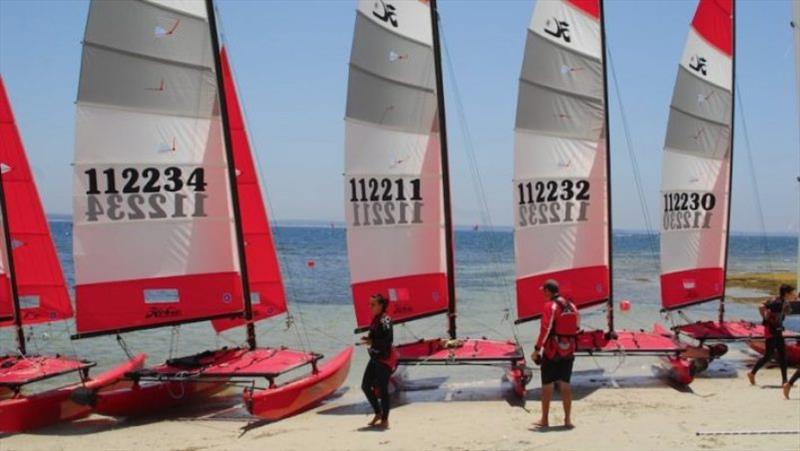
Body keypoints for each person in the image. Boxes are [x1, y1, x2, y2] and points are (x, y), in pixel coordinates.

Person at [531, 279, 579, 429]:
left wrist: (537, 349)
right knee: (565, 385)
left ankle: (544, 420)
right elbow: (576, 327)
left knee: (547, 386)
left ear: (548, 291)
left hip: (552, 352)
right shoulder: (572, 306)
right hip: (569, 351)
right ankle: (567, 420)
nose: (543, 295)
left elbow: (546, 329)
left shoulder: (550, 306)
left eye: (543, 292)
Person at [360, 294, 395, 429]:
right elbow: (373, 336)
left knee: (383, 389)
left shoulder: (386, 319)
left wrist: (372, 341)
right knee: (365, 386)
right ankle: (378, 413)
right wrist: (367, 339)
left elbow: (388, 340)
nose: (370, 307)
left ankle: (385, 419)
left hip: (384, 360)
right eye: (370, 304)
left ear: (380, 305)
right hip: (374, 358)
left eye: (373, 304)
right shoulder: (375, 319)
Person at [747, 284, 794, 386]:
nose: (793, 295)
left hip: (778, 330)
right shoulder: (776, 302)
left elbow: (788, 311)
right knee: (768, 356)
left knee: (783, 355)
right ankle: (752, 373)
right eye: (792, 293)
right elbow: (761, 306)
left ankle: (784, 381)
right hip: (771, 331)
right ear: (786, 293)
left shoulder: (783, 302)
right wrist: (766, 319)